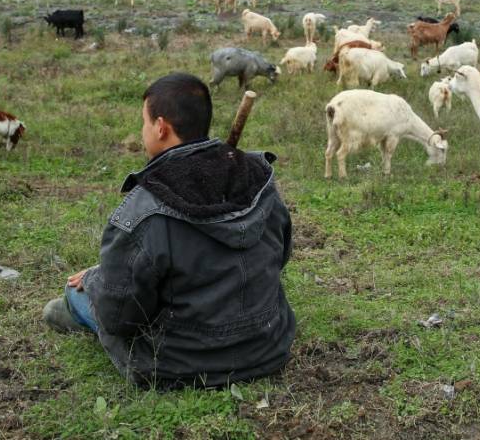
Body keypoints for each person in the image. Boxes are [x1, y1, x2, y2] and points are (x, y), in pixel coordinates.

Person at [42, 72, 295, 388]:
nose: (143, 130)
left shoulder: (144, 209)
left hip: (178, 364)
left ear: (161, 127)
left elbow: (118, 317)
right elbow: (281, 256)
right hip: (269, 346)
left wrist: (96, 279)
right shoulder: (258, 179)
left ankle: (74, 306)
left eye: (144, 123)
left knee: (73, 294)